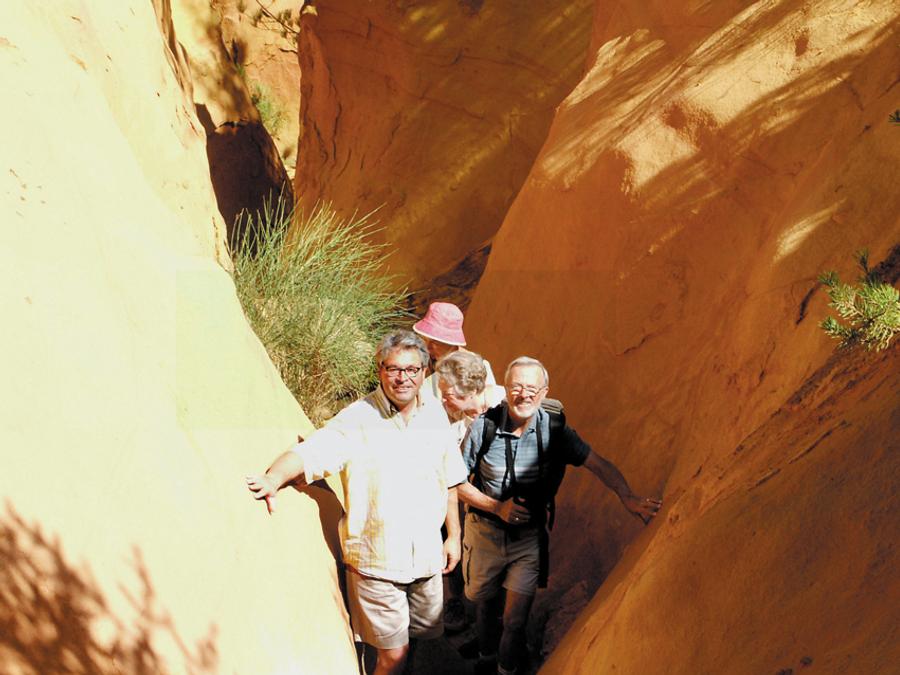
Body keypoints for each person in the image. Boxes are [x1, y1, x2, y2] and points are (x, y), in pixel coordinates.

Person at [246, 330, 467, 675]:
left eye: (411, 369)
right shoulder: (358, 419)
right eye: (393, 369)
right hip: (378, 562)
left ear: (425, 371)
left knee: (423, 641)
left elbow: (449, 478)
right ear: (380, 370)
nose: (402, 378)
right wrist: (273, 478)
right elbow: (312, 452)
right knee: (393, 656)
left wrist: (453, 536)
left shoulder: (435, 415)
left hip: (426, 559)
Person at [457, 356, 663, 675]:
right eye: (516, 387)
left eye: (531, 388)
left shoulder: (555, 431)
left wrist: (628, 497)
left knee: (514, 620)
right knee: (486, 604)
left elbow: (598, 463)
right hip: (485, 531)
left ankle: (505, 669)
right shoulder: (484, 427)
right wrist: (497, 507)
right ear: (505, 389)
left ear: (544, 392)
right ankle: (486, 657)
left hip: (528, 537)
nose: (523, 395)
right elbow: (455, 481)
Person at [432, 350, 506, 633]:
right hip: (479, 506)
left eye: (448, 394)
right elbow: (453, 480)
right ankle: (460, 605)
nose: (443, 400)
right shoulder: (456, 425)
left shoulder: (509, 404)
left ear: (470, 391)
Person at [412, 301, 496, 400]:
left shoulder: (480, 367)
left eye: (435, 343)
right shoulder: (424, 364)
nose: (429, 348)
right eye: (425, 340)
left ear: (451, 342)